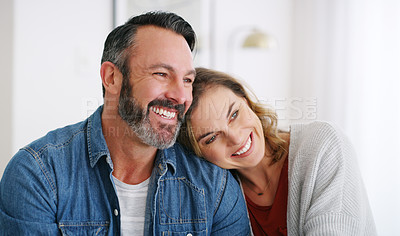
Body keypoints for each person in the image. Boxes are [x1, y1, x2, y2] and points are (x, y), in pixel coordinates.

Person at [0, 12, 250, 235]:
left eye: (187, 80)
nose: (181, 96)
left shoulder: (214, 185)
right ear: (112, 78)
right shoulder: (37, 174)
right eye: (161, 74)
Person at [178, 67, 377, 236]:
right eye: (212, 138)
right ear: (198, 153)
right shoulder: (219, 196)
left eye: (235, 114)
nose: (236, 138)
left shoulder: (323, 145)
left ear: (246, 101)